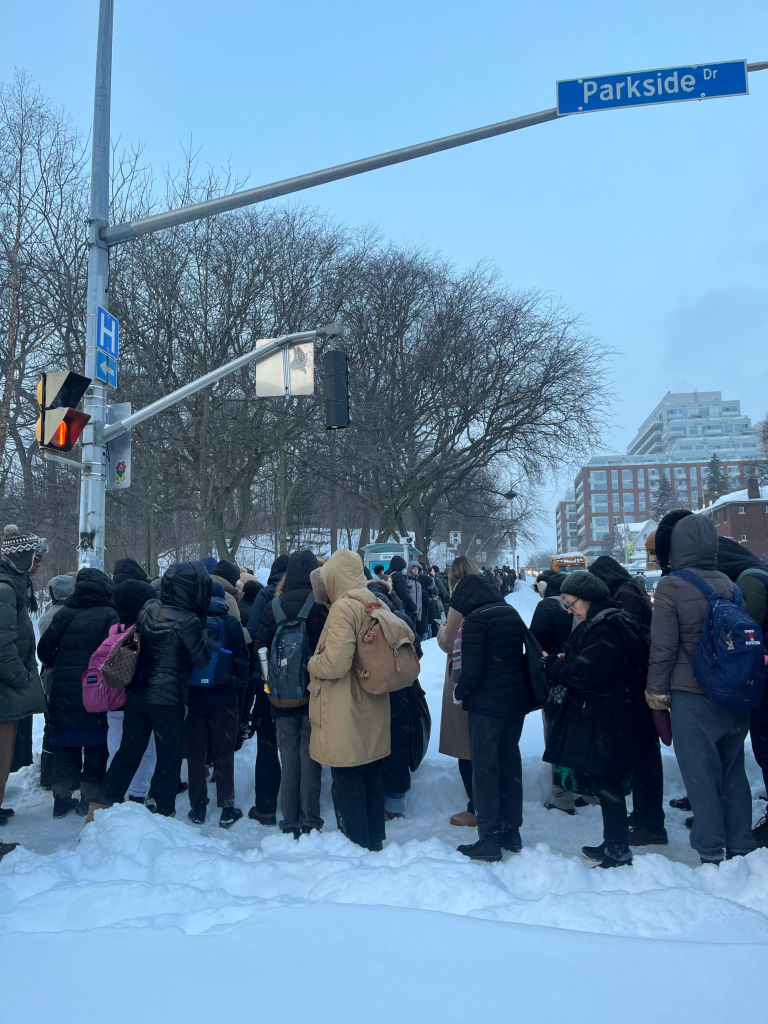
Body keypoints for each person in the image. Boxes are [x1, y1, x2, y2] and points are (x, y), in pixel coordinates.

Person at [646, 512, 757, 864]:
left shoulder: (671, 585)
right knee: (733, 770)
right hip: (732, 692)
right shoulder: (729, 582)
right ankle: (740, 844)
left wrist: (656, 695)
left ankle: (710, 851)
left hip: (692, 696)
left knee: (700, 776)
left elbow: (662, 648)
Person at [543, 570, 652, 868]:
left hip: (610, 716)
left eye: (571, 603)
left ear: (588, 598)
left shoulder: (607, 626)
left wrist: (553, 665)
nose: (569, 610)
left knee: (608, 782)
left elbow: (586, 673)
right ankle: (612, 841)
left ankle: (618, 849)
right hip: (612, 712)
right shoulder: (608, 621)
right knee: (606, 782)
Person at [88, 560, 212, 820]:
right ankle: (165, 814)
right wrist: (203, 627)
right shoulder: (189, 620)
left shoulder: (149, 607)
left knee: (128, 752)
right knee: (168, 758)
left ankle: (99, 808)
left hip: (138, 693)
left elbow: (137, 644)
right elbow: (201, 659)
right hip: (168, 699)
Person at [307, 549, 392, 851]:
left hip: (346, 706)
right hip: (374, 701)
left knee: (347, 777)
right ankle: (374, 838)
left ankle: (355, 845)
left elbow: (334, 664)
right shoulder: (376, 601)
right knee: (370, 773)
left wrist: (311, 663)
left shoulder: (343, 607)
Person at [450, 569, 528, 862]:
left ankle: (489, 838)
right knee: (510, 765)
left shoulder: (477, 619)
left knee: (485, 770)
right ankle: (512, 832)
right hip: (514, 703)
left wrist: (460, 693)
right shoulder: (509, 611)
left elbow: (472, 670)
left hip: (486, 708)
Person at [588, 555, 666, 846]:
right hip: (641, 684)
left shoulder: (626, 595)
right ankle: (644, 814)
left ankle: (652, 824)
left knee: (645, 759)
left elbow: (630, 640)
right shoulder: (630, 590)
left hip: (638, 686)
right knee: (642, 758)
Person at [255, 551, 328, 837]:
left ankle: (289, 821)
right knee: (311, 759)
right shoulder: (321, 606)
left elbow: (260, 650)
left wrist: (270, 686)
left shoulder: (272, 607)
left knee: (288, 759)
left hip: (281, 699)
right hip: (313, 696)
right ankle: (311, 819)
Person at [37, 568, 118, 818]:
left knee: (65, 744)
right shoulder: (109, 614)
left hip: (63, 689)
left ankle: (61, 799)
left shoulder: (63, 614)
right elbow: (114, 652)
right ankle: (89, 798)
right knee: (96, 744)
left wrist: (61, 664)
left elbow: (44, 650)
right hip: (95, 689)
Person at [716, 537, 768, 846]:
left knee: (765, 744)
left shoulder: (750, 581)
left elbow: (748, 631)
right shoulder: (759, 573)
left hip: (764, 679)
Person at [0, 525, 47, 860]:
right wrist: (20, 677)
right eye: (35, 558)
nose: (38, 564)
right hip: (5, 690)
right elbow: (3, 645)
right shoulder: (5, 590)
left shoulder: (12, 586)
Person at [186, 580, 249, 827]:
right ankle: (227, 807)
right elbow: (243, 663)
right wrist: (231, 683)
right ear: (223, 599)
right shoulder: (231, 624)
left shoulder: (191, 622)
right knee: (224, 753)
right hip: (224, 699)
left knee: (196, 753)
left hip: (194, 700)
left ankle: (198, 806)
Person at [367, 574, 423, 818]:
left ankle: (372, 796)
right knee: (398, 741)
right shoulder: (399, 616)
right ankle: (395, 803)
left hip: (370, 688)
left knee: (372, 741)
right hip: (401, 688)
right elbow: (417, 650)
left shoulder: (362, 617)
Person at [530, 571, 586, 815]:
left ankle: (563, 797)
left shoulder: (547, 607)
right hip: (583, 681)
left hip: (556, 682)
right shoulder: (585, 606)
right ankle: (588, 791)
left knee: (556, 735)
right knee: (583, 734)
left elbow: (534, 642)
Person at [245, 554, 289, 825]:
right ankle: (299, 807)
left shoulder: (265, 594)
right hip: (303, 683)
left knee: (267, 744)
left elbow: (254, 634)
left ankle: (266, 807)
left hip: (269, 680)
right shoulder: (312, 597)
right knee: (299, 746)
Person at [107, 577, 158, 807]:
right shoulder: (138, 633)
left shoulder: (113, 631)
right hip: (136, 699)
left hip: (113, 699)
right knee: (144, 750)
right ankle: (137, 795)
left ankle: (113, 793)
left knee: (116, 747)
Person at [37, 574, 76, 790]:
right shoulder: (68, 615)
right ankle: (64, 775)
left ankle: (46, 773)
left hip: (48, 675)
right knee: (64, 724)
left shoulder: (46, 616)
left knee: (50, 723)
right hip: (63, 673)